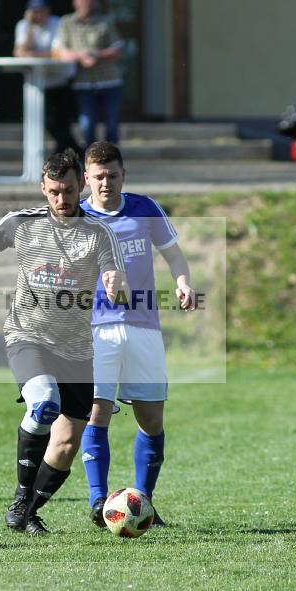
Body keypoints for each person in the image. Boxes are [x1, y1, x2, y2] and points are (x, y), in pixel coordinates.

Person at [0, 149, 127, 535]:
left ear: (81, 186)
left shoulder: (99, 233)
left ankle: (29, 510)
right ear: (43, 188)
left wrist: (115, 284)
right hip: (27, 337)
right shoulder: (20, 222)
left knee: (68, 441)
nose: (62, 199)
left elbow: (116, 278)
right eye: (54, 191)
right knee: (43, 404)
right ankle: (23, 496)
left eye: (69, 190)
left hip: (76, 349)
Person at [77, 141, 195, 529]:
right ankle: (99, 502)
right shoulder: (73, 217)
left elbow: (174, 254)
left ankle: (143, 502)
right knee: (96, 413)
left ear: (123, 175)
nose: (105, 183)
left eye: (112, 175)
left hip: (143, 326)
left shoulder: (145, 208)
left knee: (151, 420)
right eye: (98, 177)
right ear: (86, 179)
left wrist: (183, 283)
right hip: (94, 329)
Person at [53, 0, 124, 148]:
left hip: (109, 81)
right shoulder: (67, 22)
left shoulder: (105, 21)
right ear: (75, 3)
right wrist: (81, 57)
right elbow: (61, 52)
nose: (87, 3)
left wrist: (96, 54)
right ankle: (89, 162)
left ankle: (111, 162)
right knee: (87, 125)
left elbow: (117, 50)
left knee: (112, 125)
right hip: (83, 82)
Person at [14, 0, 80, 156]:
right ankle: (75, 153)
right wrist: (30, 27)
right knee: (47, 122)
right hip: (38, 84)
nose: (38, 15)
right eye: (34, 12)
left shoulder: (57, 23)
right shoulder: (23, 25)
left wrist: (31, 53)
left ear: (48, 11)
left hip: (60, 79)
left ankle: (69, 155)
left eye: (41, 11)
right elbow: (19, 52)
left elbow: (57, 53)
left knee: (62, 123)